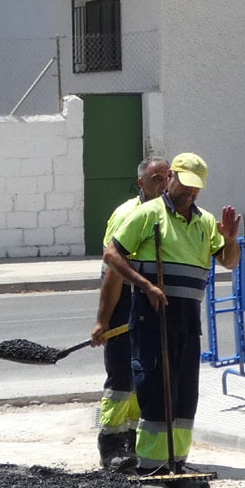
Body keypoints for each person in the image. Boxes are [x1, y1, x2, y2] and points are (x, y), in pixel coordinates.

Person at [99, 151, 241, 471]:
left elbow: (230, 262)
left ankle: (177, 464)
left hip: (188, 321)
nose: (189, 193)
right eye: (184, 185)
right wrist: (145, 285)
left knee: (184, 396)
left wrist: (231, 240)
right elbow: (112, 255)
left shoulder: (205, 222)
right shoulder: (148, 214)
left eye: (195, 188)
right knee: (157, 394)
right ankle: (151, 468)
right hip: (153, 318)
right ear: (170, 178)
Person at [92, 155, 171, 470]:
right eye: (156, 178)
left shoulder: (169, 215)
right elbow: (112, 272)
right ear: (141, 182)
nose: (163, 184)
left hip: (149, 301)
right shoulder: (127, 214)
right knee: (121, 376)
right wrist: (103, 320)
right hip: (124, 300)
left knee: (143, 374)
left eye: (167, 177)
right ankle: (111, 442)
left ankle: (134, 439)